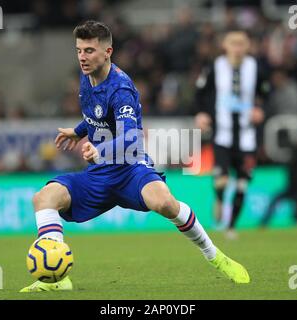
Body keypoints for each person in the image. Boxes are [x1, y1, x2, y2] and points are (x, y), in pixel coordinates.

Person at [20, 21, 250, 292]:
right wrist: (79, 131)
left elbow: (131, 137)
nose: (82, 57)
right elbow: (97, 116)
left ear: (108, 52)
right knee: (44, 198)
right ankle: (57, 280)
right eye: (79, 50)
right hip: (99, 174)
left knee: (165, 203)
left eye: (90, 50)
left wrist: (99, 150)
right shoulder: (87, 76)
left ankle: (215, 256)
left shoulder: (121, 89)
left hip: (131, 168)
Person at [195, 30, 269, 239]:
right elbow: (200, 93)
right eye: (233, 44)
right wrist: (201, 114)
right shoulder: (214, 67)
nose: (237, 48)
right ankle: (219, 199)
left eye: (241, 44)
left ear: (247, 47)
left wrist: (260, 108)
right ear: (225, 46)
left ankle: (231, 227)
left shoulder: (256, 68)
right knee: (222, 179)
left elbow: (266, 92)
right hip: (222, 135)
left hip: (247, 137)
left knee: (243, 183)